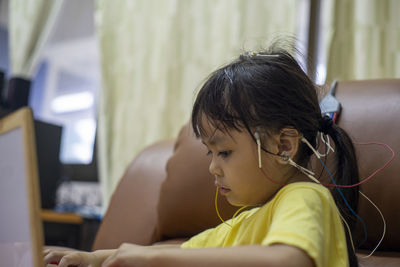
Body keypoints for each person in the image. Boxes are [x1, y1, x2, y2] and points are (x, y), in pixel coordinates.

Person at [44, 46, 360, 267]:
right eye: (210, 153)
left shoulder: (305, 196)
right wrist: (95, 258)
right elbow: (186, 250)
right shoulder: (245, 221)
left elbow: (288, 260)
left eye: (224, 152)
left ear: (284, 147)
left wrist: (154, 259)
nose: (213, 167)